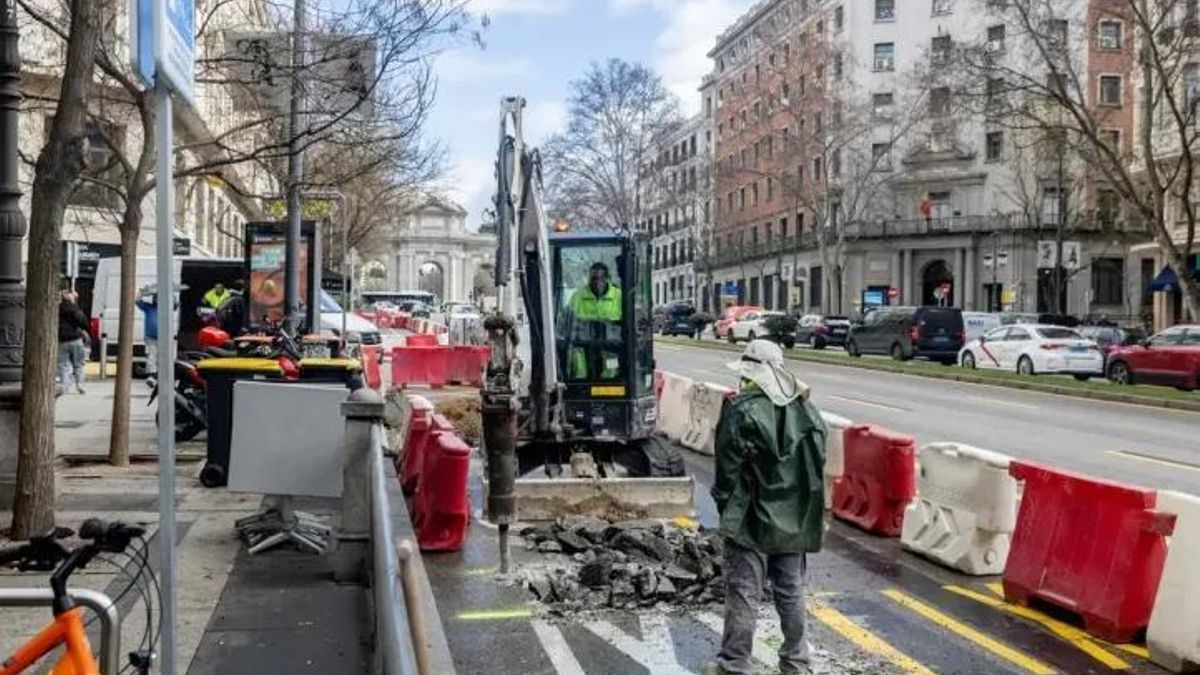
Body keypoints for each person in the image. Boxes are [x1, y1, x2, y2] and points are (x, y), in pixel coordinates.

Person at [709, 339, 827, 675]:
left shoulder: (741, 410)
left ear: (750, 374)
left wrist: (726, 511)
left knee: (744, 593)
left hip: (751, 522)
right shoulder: (808, 411)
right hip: (794, 522)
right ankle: (796, 663)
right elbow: (817, 465)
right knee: (791, 594)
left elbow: (727, 474)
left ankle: (734, 664)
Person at [566, 262, 622, 379]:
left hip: (611, 347)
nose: (597, 282)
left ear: (607, 279)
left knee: (611, 374)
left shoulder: (619, 296)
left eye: (601, 278)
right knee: (581, 372)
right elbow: (567, 321)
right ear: (589, 279)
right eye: (594, 278)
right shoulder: (578, 296)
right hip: (584, 346)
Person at [57, 289, 90, 394]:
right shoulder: (74, 308)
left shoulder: (57, 309)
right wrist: (74, 302)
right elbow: (83, 321)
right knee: (79, 363)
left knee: (62, 364)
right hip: (76, 339)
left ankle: (65, 386)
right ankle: (79, 384)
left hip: (62, 340)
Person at [135, 286, 159, 377]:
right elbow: (137, 301)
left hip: (163, 337)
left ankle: (158, 373)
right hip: (151, 337)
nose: (156, 300)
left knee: (160, 356)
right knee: (152, 355)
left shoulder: (167, 308)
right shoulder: (149, 308)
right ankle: (152, 374)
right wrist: (142, 292)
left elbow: (175, 304)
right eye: (155, 298)